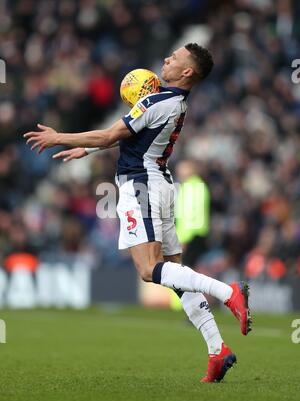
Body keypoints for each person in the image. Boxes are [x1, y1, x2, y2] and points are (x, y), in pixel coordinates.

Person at [24, 43, 252, 383]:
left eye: (174, 58)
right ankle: (217, 350)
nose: (166, 59)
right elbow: (132, 137)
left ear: (188, 71)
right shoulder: (176, 102)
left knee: (148, 270)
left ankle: (227, 292)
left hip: (139, 186)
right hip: (160, 183)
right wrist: (86, 148)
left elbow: (111, 134)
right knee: (174, 271)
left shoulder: (155, 100)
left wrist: (61, 138)